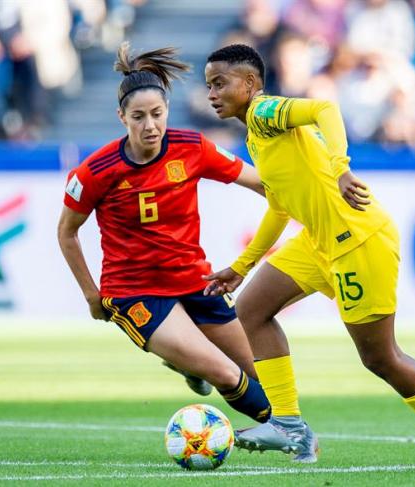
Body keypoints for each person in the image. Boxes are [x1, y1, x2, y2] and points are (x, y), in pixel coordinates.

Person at [202, 44, 415, 470]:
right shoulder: (255, 137)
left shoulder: (263, 112)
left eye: (220, 83)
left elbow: (324, 108)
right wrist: (241, 267)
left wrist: (341, 167)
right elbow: (279, 206)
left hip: (358, 240)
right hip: (319, 241)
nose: (211, 93)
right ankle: (289, 425)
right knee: (252, 309)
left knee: (380, 357)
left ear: (250, 84)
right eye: (208, 85)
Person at [57, 42, 271, 425]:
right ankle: (296, 435)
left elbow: (260, 183)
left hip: (194, 280)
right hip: (135, 291)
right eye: (138, 117)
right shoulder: (95, 172)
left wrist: (317, 191)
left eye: (157, 114)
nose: (150, 125)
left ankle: (190, 362)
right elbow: (67, 232)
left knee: (257, 376)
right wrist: (92, 295)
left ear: (167, 110)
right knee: (226, 374)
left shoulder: (192, 147)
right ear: (122, 117)